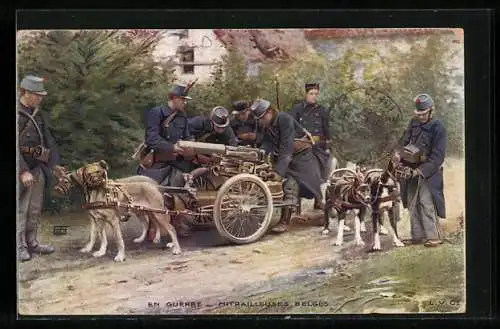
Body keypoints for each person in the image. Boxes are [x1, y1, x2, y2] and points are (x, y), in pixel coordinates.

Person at [250, 99, 324, 233]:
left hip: (301, 157)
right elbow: (268, 143)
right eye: (259, 118)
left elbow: (286, 146)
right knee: (285, 185)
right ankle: (283, 217)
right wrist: (259, 154)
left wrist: (279, 172)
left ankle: (286, 220)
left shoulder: (285, 119)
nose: (261, 121)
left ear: (270, 111)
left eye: (262, 117)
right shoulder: (266, 124)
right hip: (285, 156)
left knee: (293, 184)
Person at [138, 84, 199, 237]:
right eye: (183, 99)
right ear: (174, 98)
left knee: (180, 192)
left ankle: (177, 224)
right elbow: (152, 139)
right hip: (157, 162)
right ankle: (153, 227)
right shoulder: (157, 112)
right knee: (153, 194)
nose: (185, 103)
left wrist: (191, 145)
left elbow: (187, 136)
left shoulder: (182, 116)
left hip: (177, 162)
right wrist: (172, 148)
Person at [18, 75, 65, 262]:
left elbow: (48, 141)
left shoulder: (37, 113)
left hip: (36, 167)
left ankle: (32, 242)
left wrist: (54, 165)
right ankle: (19, 247)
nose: (40, 98)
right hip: (22, 170)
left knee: (34, 209)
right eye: (37, 95)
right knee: (20, 210)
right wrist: (22, 171)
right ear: (26, 92)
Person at [393, 93, 447, 248]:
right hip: (410, 168)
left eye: (424, 114)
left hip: (428, 172)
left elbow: (438, 157)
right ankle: (417, 236)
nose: (421, 117)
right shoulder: (413, 122)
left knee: (425, 202)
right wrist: (398, 154)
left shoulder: (439, 127)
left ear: (431, 111)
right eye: (419, 114)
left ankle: (433, 236)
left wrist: (420, 171)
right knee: (411, 201)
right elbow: (404, 140)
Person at [289, 83, 333, 209]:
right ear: (306, 94)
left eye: (316, 94)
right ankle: (295, 202)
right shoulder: (297, 109)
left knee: (315, 167)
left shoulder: (322, 111)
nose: (313, 96)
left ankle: (318, 199)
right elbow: (292, 126)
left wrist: (327, 146)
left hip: (318, 148)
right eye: (311, 94)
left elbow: (327, 131)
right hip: (301, 146)